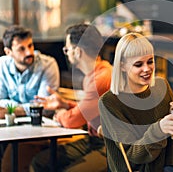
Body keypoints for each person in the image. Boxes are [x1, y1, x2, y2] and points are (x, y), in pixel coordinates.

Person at [98, 32, 173, 172]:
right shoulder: (109, 102)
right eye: (138, 64)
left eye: (150, 61)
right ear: (122, 66)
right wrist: (160, 129)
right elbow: (134, 156)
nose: (147, 69)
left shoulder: (161, 87)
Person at [31, 23, 112, 172]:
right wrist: (65, 104)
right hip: (93, 140)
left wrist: (61, 115)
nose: (66, 54)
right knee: (41, 161)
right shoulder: (96, 74)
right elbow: (91, 111)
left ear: (78, 51)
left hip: (110, 146)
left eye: (67, 49)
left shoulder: (101, 78)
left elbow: (72, 120)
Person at [0, 25, 60, 117]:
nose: (29, 52)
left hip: (42, 123)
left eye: (30, 45)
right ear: (8, 52)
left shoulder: (48, 65)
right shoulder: (2, 64)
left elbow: (45, 107)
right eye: (21, 49)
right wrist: (26, 108)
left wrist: (10, 110)